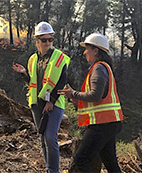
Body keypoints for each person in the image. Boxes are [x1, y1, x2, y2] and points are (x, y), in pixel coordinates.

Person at [58, 33, 124, 172]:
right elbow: (99, 99)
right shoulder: (104, 68)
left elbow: (95, 95)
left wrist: (73, 93)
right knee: (110, 163)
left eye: (87, 48)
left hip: (102, 124)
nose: (85, 52)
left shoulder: (99, 68)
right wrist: (78, 100)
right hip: (110, 122)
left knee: (82, 158)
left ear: (96, 51)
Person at [12, 21, 70, 173]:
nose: (47, 43)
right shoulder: (32, 59)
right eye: (44, 40)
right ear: (37, 41)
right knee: (43, 138)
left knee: (51, 137)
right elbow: (32, 82)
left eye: (50, 39)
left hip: (54, 103)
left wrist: (51, 101)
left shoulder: (59, 57)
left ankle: (53, 171)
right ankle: (49, 169)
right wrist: (25, 73)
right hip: (37, 103)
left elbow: (62, 81)